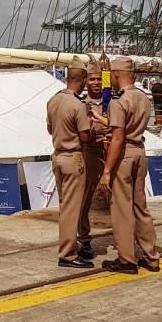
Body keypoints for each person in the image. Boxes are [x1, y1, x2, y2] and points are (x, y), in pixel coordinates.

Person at [97, 57, 160, 274]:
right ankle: (151, 256)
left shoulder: (118, 101)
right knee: (140, 206)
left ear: (115, 75)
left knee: (122, 209)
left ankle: (126, 259)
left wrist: (106, 170)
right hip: (140, 152)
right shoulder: (143, 98)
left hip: (124, 155)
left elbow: (117, 138)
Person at [46, 57, 94, 268]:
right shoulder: (77, 104)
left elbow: (49, 129)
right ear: (82, 80)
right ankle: (68, 254)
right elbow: (85, 136)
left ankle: (69, 249)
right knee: (72, 209)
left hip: (57, 157)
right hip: (74, 158)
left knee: (65, 205)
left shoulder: (53, 101)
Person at [77, 61, 109, 261]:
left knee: (119, 197)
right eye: (92, 79)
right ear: (86, 81)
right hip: (90, 151)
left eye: (99, 79)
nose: (96, 83)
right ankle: (84, 238)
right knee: (84, 198)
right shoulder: (81, 104)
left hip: (110, 151)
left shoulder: (111, 100)